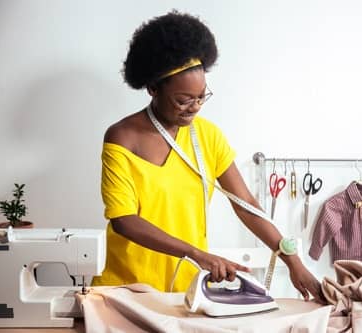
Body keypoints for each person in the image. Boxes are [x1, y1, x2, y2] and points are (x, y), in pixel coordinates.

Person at [92, 10, 323, 302]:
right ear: (152, 89)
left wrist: (293, 261)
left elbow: (246, 205)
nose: (195, 106)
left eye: (201, 96)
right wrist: (196, 254)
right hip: (127, 288)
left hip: (184, 291)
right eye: (183, 99)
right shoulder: (122, 138)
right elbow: (123, 219)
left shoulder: (208, 136)